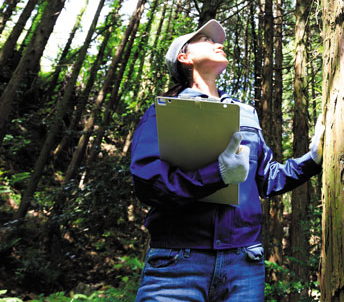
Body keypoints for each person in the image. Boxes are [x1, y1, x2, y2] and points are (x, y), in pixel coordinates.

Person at [131, 19, 325, 302]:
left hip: (243, 263)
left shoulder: (246, 113)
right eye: (207, 41)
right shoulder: (162, 112)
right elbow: (148, 183)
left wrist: (314, 159)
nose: (218, 44)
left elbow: (267, 179)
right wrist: (216, 174)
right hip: (176, 262)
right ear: (185, 57)